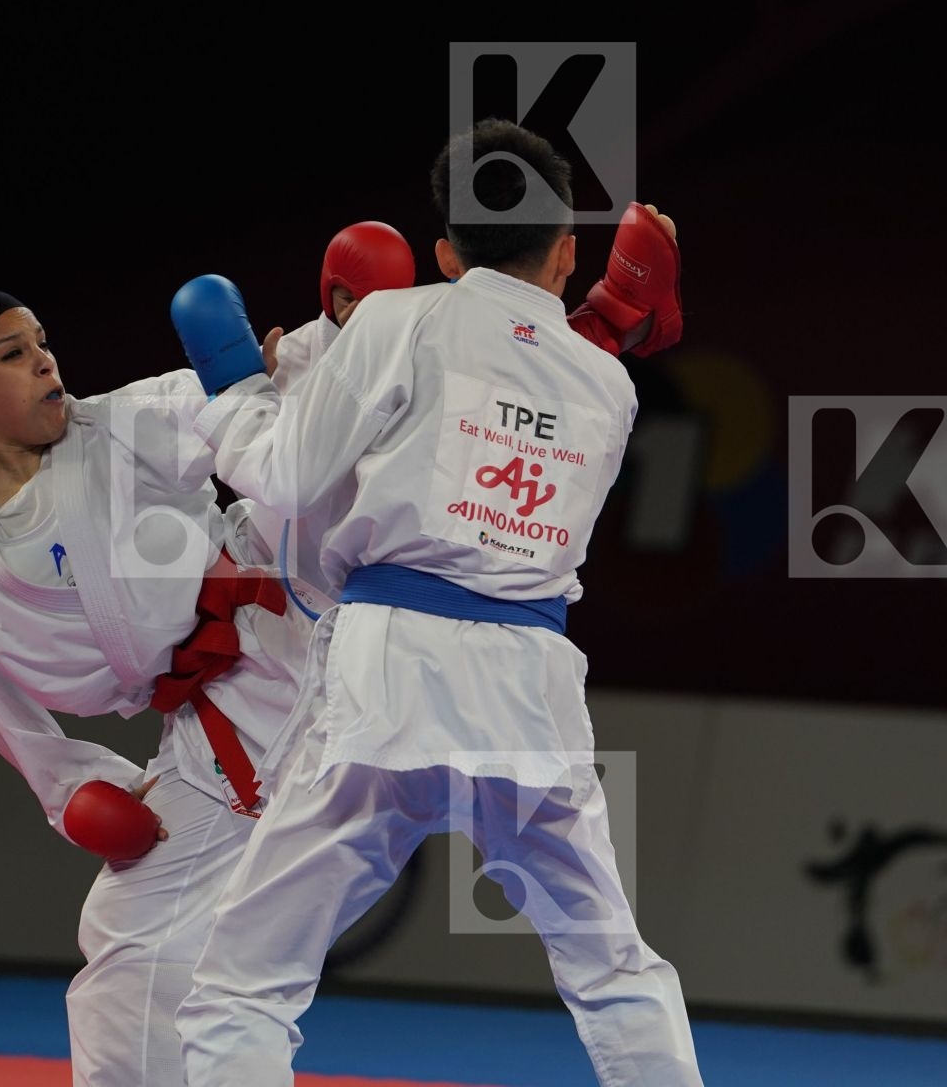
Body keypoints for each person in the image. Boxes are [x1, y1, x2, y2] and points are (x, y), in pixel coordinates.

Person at [172, 118, 701, 1086]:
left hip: (392, 676)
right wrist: (617, 312)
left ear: (447, 251)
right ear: (568, 248)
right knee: (615, 970)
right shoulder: (608, 383)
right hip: (530, 691)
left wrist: (238, 389)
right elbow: (521, 375)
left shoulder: (397, 319)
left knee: (245, 984)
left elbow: (287, 479)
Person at [0, 223, 416, 1086]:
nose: (47, 363)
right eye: (14, 355)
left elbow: (243, 403)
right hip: (215, 725)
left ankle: (484, 325)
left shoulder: (121, 425)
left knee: (310, 466)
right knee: (130, 955)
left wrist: (279, 361)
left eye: (44, 345)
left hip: (299, 619)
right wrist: (66, 784)